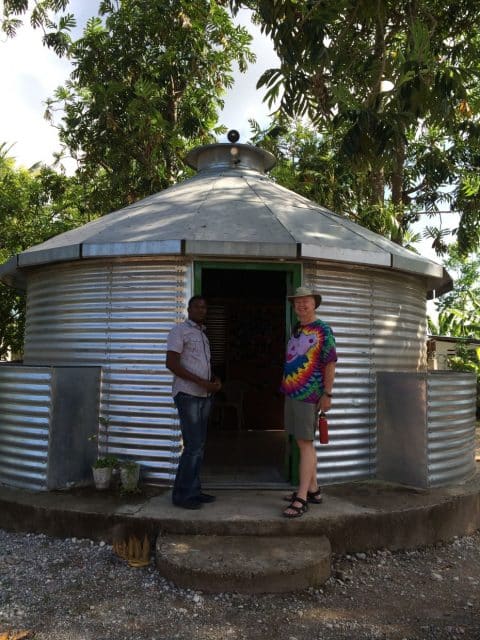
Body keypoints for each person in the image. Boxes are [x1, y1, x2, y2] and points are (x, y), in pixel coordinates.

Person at [280, 286, 337, 518]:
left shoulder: (322, 330)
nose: (301, 305)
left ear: (314, 304)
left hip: (309, 394)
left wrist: (327, 394)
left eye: (306, 301)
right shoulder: (298, 329)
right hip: (293, 393)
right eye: (297, 302)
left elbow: (330, 362)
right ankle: (313, 490)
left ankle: (301, 497)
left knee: (305, 444)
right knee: (301, 441)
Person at [166, 295, 222, 509]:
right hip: (188, 395)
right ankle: (182, 496)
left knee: (198, 446)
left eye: (204, 307)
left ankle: (194, 490)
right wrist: (201, 382)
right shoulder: (179, 331)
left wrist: (213, 381)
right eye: (197, 306)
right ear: (188, 309)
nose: (201, 310)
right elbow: (171, 363)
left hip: (204, 396)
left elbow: (200, 364)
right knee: (192, 446)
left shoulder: (203, 334)